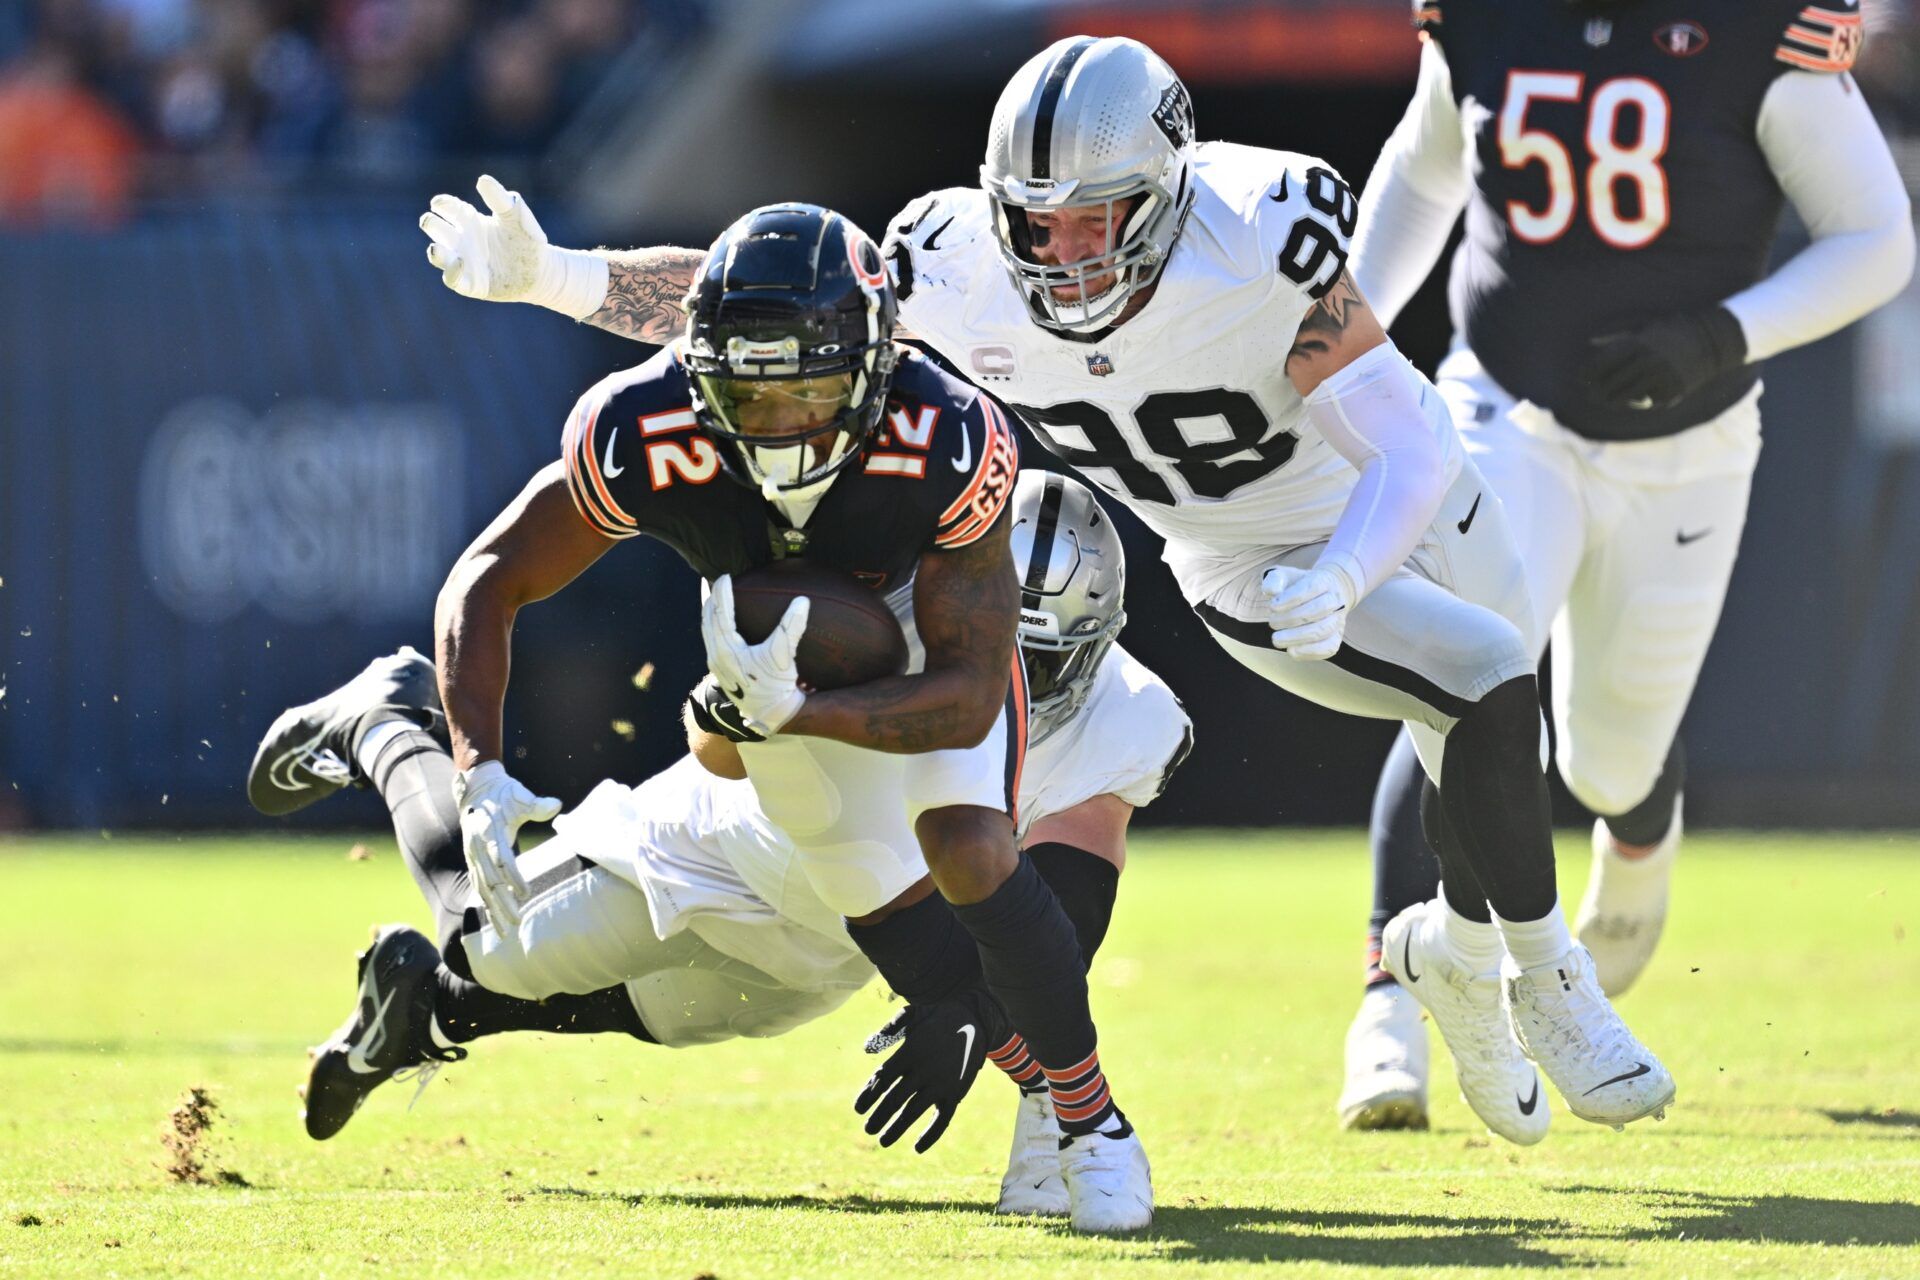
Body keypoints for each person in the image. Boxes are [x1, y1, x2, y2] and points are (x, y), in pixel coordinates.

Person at [419, 36, 1675, 1146]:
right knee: (1489, 692)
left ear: (1169, 190)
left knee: (1511, 731)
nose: (1063, 254)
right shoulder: (956, 262)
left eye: (1097, 219)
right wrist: (559, 275)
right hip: (1247, 559)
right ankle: (1549, 974)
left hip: (1401, 502)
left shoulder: (1262, 225)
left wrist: (1351, 561)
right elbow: (778, 313)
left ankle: (1454, 958)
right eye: (1036, 221)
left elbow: (1405, 437)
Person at [247, 471, 1190, 1220]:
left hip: (839, 940)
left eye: (1039, 662)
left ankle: (419, 1017)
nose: (1005, 685)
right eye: (984, 644)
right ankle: (384, 721)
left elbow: (1070, 903)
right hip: (715, 847)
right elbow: (722, 754)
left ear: (1100, 643)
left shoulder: (1129, 718)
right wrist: (765, 705)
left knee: (658, 1018)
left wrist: (981, 1010)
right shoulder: (868, 625)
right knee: (486, 941)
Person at [1342, 0, 1915, 1125]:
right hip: (1506, 403)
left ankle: (1638, 829)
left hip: (1687, 445)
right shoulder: (1485, 20)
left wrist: (1722, 335)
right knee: (1464, 672)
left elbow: (1876, 236)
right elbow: (1424, 175)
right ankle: (1387, 1004)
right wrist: (1344, 327)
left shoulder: (1767, 29)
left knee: (1609, 758)